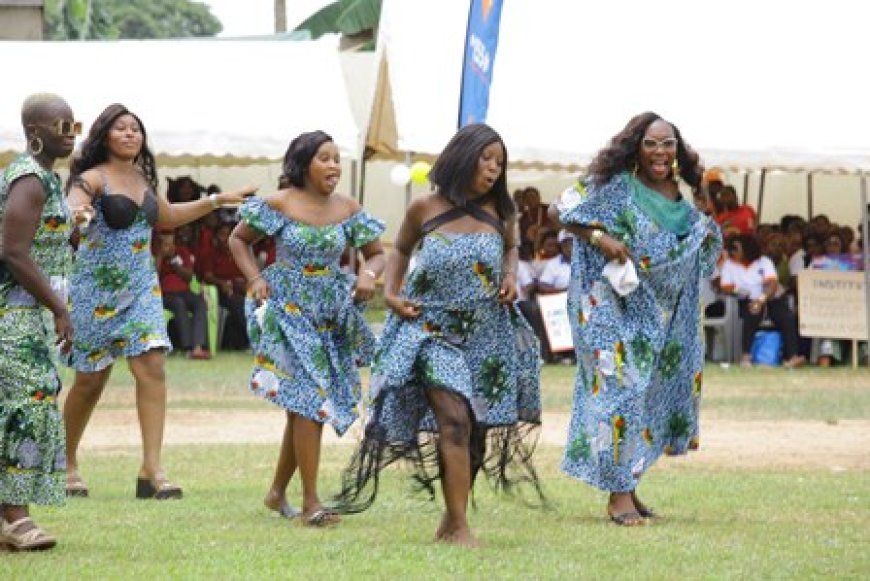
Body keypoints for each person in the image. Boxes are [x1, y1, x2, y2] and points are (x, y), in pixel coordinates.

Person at [333, 124, 543, 547]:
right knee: (455, 419)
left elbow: (512, 248)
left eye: (499, 163)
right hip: (429, 328)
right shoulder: (423, 208)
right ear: (463, 158)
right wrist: (390, 293)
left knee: (475, 430)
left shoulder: (502, 213)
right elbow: (400, 251)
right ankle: (462, 528)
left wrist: (508, 275)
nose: (492, 169)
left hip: (485, 331)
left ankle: (453, 516)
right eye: (486, 159)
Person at [62, 103, 256, 500]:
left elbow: (166, 217)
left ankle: (152, 469)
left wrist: (218, 201)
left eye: (136, 129)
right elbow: (71, 209)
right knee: (90, 380)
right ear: (104, 136)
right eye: (121, 128)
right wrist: (78, 215)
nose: (131, 134)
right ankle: (65, 462)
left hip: (141, 288)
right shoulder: (91, 179)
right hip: (94, 291)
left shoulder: (141, 178)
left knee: (152, 365)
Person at [551, 112, 722, 526]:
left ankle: (628, 483)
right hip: (607, 304)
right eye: (651, 143)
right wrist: (600, 237)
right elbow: (561, 210)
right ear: (635, 147)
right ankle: (618, 496)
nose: (660, 152)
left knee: (650, 390)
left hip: (660, 310)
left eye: (668, 144)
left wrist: (703, 203)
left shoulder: (681, 195)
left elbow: (701, 241)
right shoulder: (615, 187)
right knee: (623, 387)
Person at [228, 130, 386, 527]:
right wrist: (253, 279)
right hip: (288, 310)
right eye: (324, 158)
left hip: (330, 314)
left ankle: (277, 492)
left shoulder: (348, 208)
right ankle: (311, 502)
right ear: (302, 164)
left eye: (336, 159)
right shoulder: (278, 203)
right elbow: (238, 240)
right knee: (311, 400)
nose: (333, 166)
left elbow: (378, 254)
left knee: (303, 405)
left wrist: (367, 273)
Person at [0, 93, 79, 550]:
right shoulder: (29, 178)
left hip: (26, 312)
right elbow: (13, 251)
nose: (69, 134)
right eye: (59, 126)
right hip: (12, 312)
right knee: (29, 399)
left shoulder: (45, 178)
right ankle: (16, 516)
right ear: (34, 132)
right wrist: (61, 308)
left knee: (24, 399)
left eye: (74, 125)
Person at [719, 234, 804, 368]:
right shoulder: (730, 264)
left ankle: (792, 357)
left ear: (747, 249)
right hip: (745, 299)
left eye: (735, 248)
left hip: (768, 298)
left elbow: (772, 283)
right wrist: (739, 290)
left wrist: (761, 299)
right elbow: (725, 286)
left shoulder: (764, 262)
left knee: (786, 317)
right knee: (752, 312)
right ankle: (746, 356)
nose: (732, 252)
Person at [155, 229, 210, 358]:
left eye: (169, 235)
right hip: (165, 295)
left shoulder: (182, 252)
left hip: (184, 291)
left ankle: (198, 347)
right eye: (164, 235)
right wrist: (161, 256)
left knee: (199, 302)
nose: (167, 238)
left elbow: (189, 277)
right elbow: (153, 277)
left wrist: (174, 260)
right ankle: (188, 347)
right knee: (179, 304)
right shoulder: (155, 253)